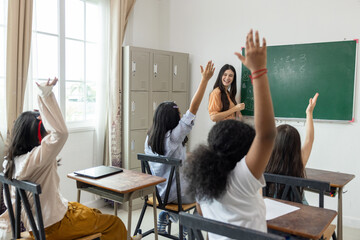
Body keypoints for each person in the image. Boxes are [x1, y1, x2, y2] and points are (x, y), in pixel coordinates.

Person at [0, 78, 132, 240]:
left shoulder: (10, 161)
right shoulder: (34, 159)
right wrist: (45, 95)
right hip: (55, 226)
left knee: (94, 212)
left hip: (43, 223)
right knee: (114, 222)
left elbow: (12, 202)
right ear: (38, 136)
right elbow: (61, 133)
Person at [183, 29, 276, 238]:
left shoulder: (203, 183)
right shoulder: (242, 181)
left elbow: (263, 135)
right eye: (225, 74)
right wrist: (259, 71)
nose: (227, 78)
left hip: (224, 140)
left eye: (230, 76)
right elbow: (267, 135)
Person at [145, 61, 215, 235]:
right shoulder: (174, 136)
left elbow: (171, 159)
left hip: (158, 193)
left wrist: (189, 156)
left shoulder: (150, 137)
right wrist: (204, 80)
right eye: (178, 114)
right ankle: (188, 225)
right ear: (172, 120)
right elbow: (194, 109)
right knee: (209, 193)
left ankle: (169, 215)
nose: (181, 115)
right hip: (176, 195)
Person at [265, 93, 319, 203]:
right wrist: (309, 113)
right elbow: (309, 140)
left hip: (271, 213)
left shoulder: (265, 165)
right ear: (296, 145)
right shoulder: (298, 164)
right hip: (298, 213)